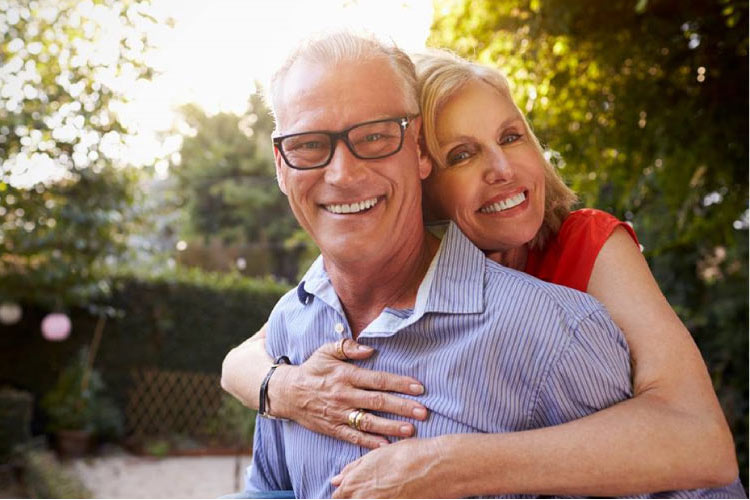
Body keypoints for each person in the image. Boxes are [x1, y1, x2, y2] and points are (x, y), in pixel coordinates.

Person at [228, 34, 744, 498]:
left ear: (414, 159)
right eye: (463, 154)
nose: (501, 169)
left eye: (512, 136)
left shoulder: (579, 270)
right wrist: (285, 388)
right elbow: (252, 354)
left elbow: (700, 445)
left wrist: (452, 462)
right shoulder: (319, 307)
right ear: (425, 174)